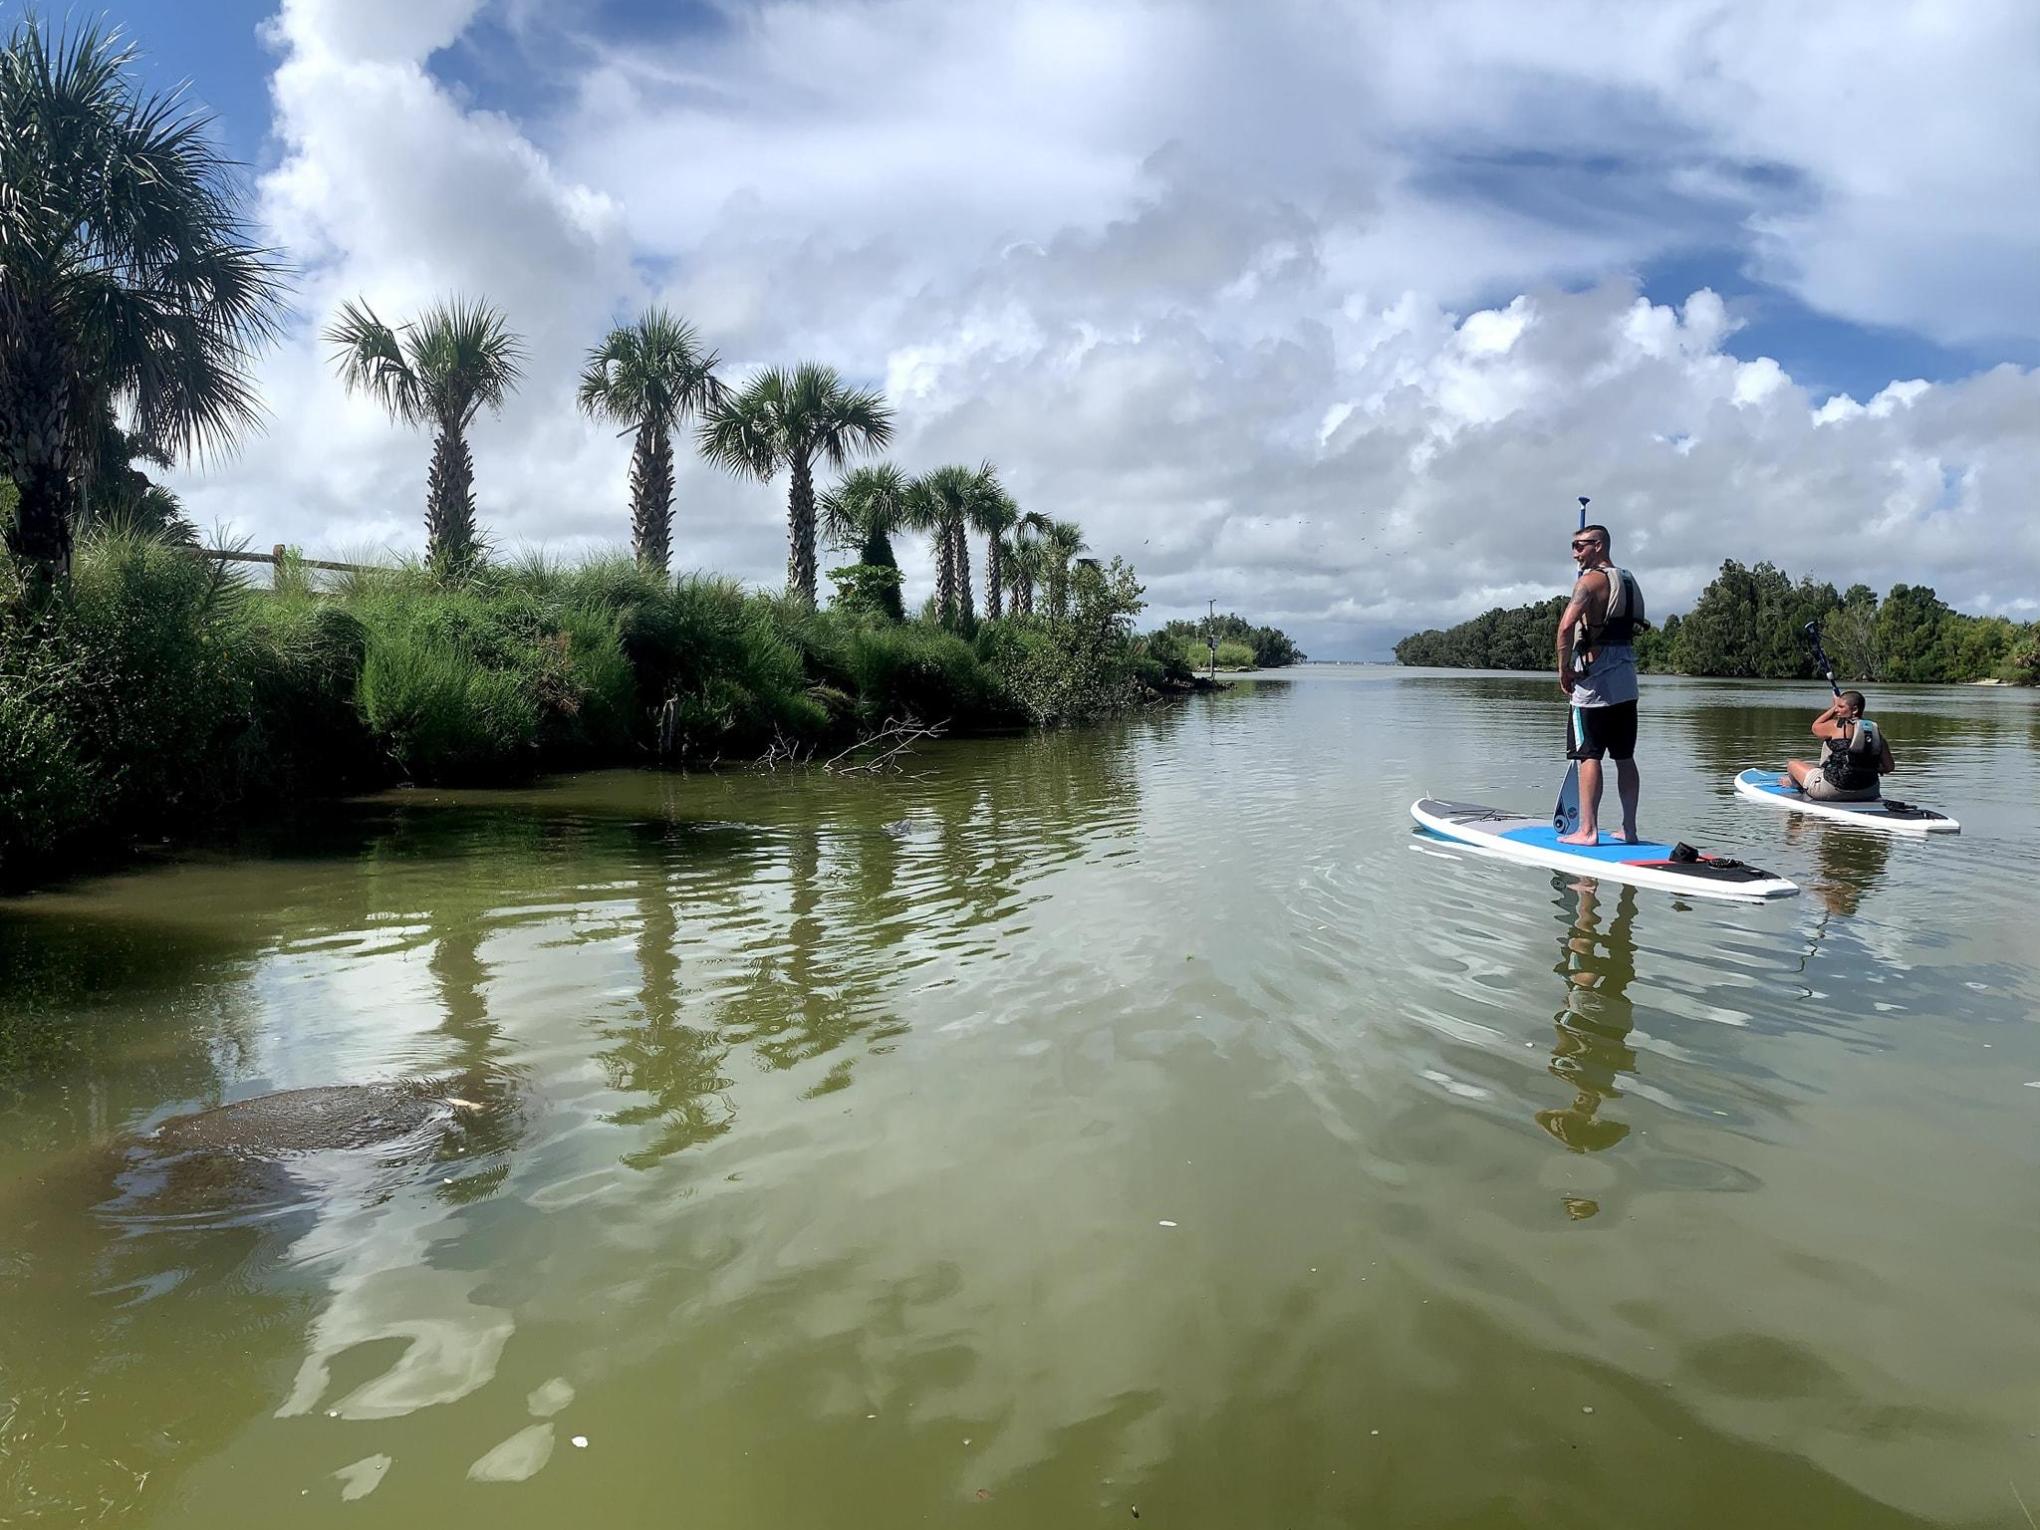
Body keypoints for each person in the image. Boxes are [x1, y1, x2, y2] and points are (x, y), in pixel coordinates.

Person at [1555, 523, 1646, 845]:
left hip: (1592, 685)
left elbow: (1566, 628)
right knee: (1624, 756)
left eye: (1580, 545)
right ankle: (1629, 830)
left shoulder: (1589, 582)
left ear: (1599, 545)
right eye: (1573, 545)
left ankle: (1588, 831)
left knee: (1588, 755)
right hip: (1626, 684)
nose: (1574, 552)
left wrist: (1563, 668)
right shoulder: (1628, 579)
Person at [1782, 690, 1893, 802]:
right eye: (1837, 707)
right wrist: (1864, 767)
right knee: (1816, 768)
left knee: (1792, 764)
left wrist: (1833, 708)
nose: (1837, 710)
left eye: (1840, 707)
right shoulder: (1875, 732)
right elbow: (1889, 767)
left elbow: (1815, 727)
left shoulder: (1835, 727)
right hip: (1869, 791)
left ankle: (1794, 784)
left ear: (1854, 709)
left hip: (1833, 791)